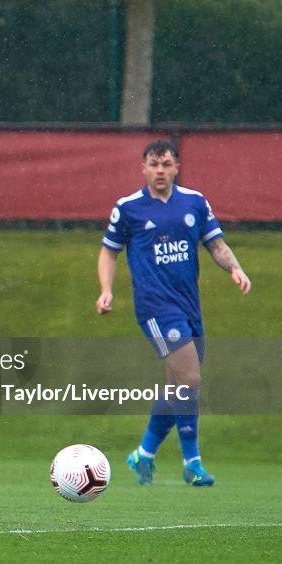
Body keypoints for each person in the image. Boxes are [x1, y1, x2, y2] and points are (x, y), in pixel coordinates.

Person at [96, 139, 251, 487]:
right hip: (155, 308)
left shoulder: (195, 202)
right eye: (154, 164)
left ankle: (143, 455)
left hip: (188, 306)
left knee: (176, 388)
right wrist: (106, 290)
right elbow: (109, 252)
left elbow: (216, 243)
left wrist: (235, 269)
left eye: (166, 164)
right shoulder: (129, 208)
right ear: (143, 168)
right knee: (191, 380)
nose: (160, 170)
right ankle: (192, 462)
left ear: (177, 166)